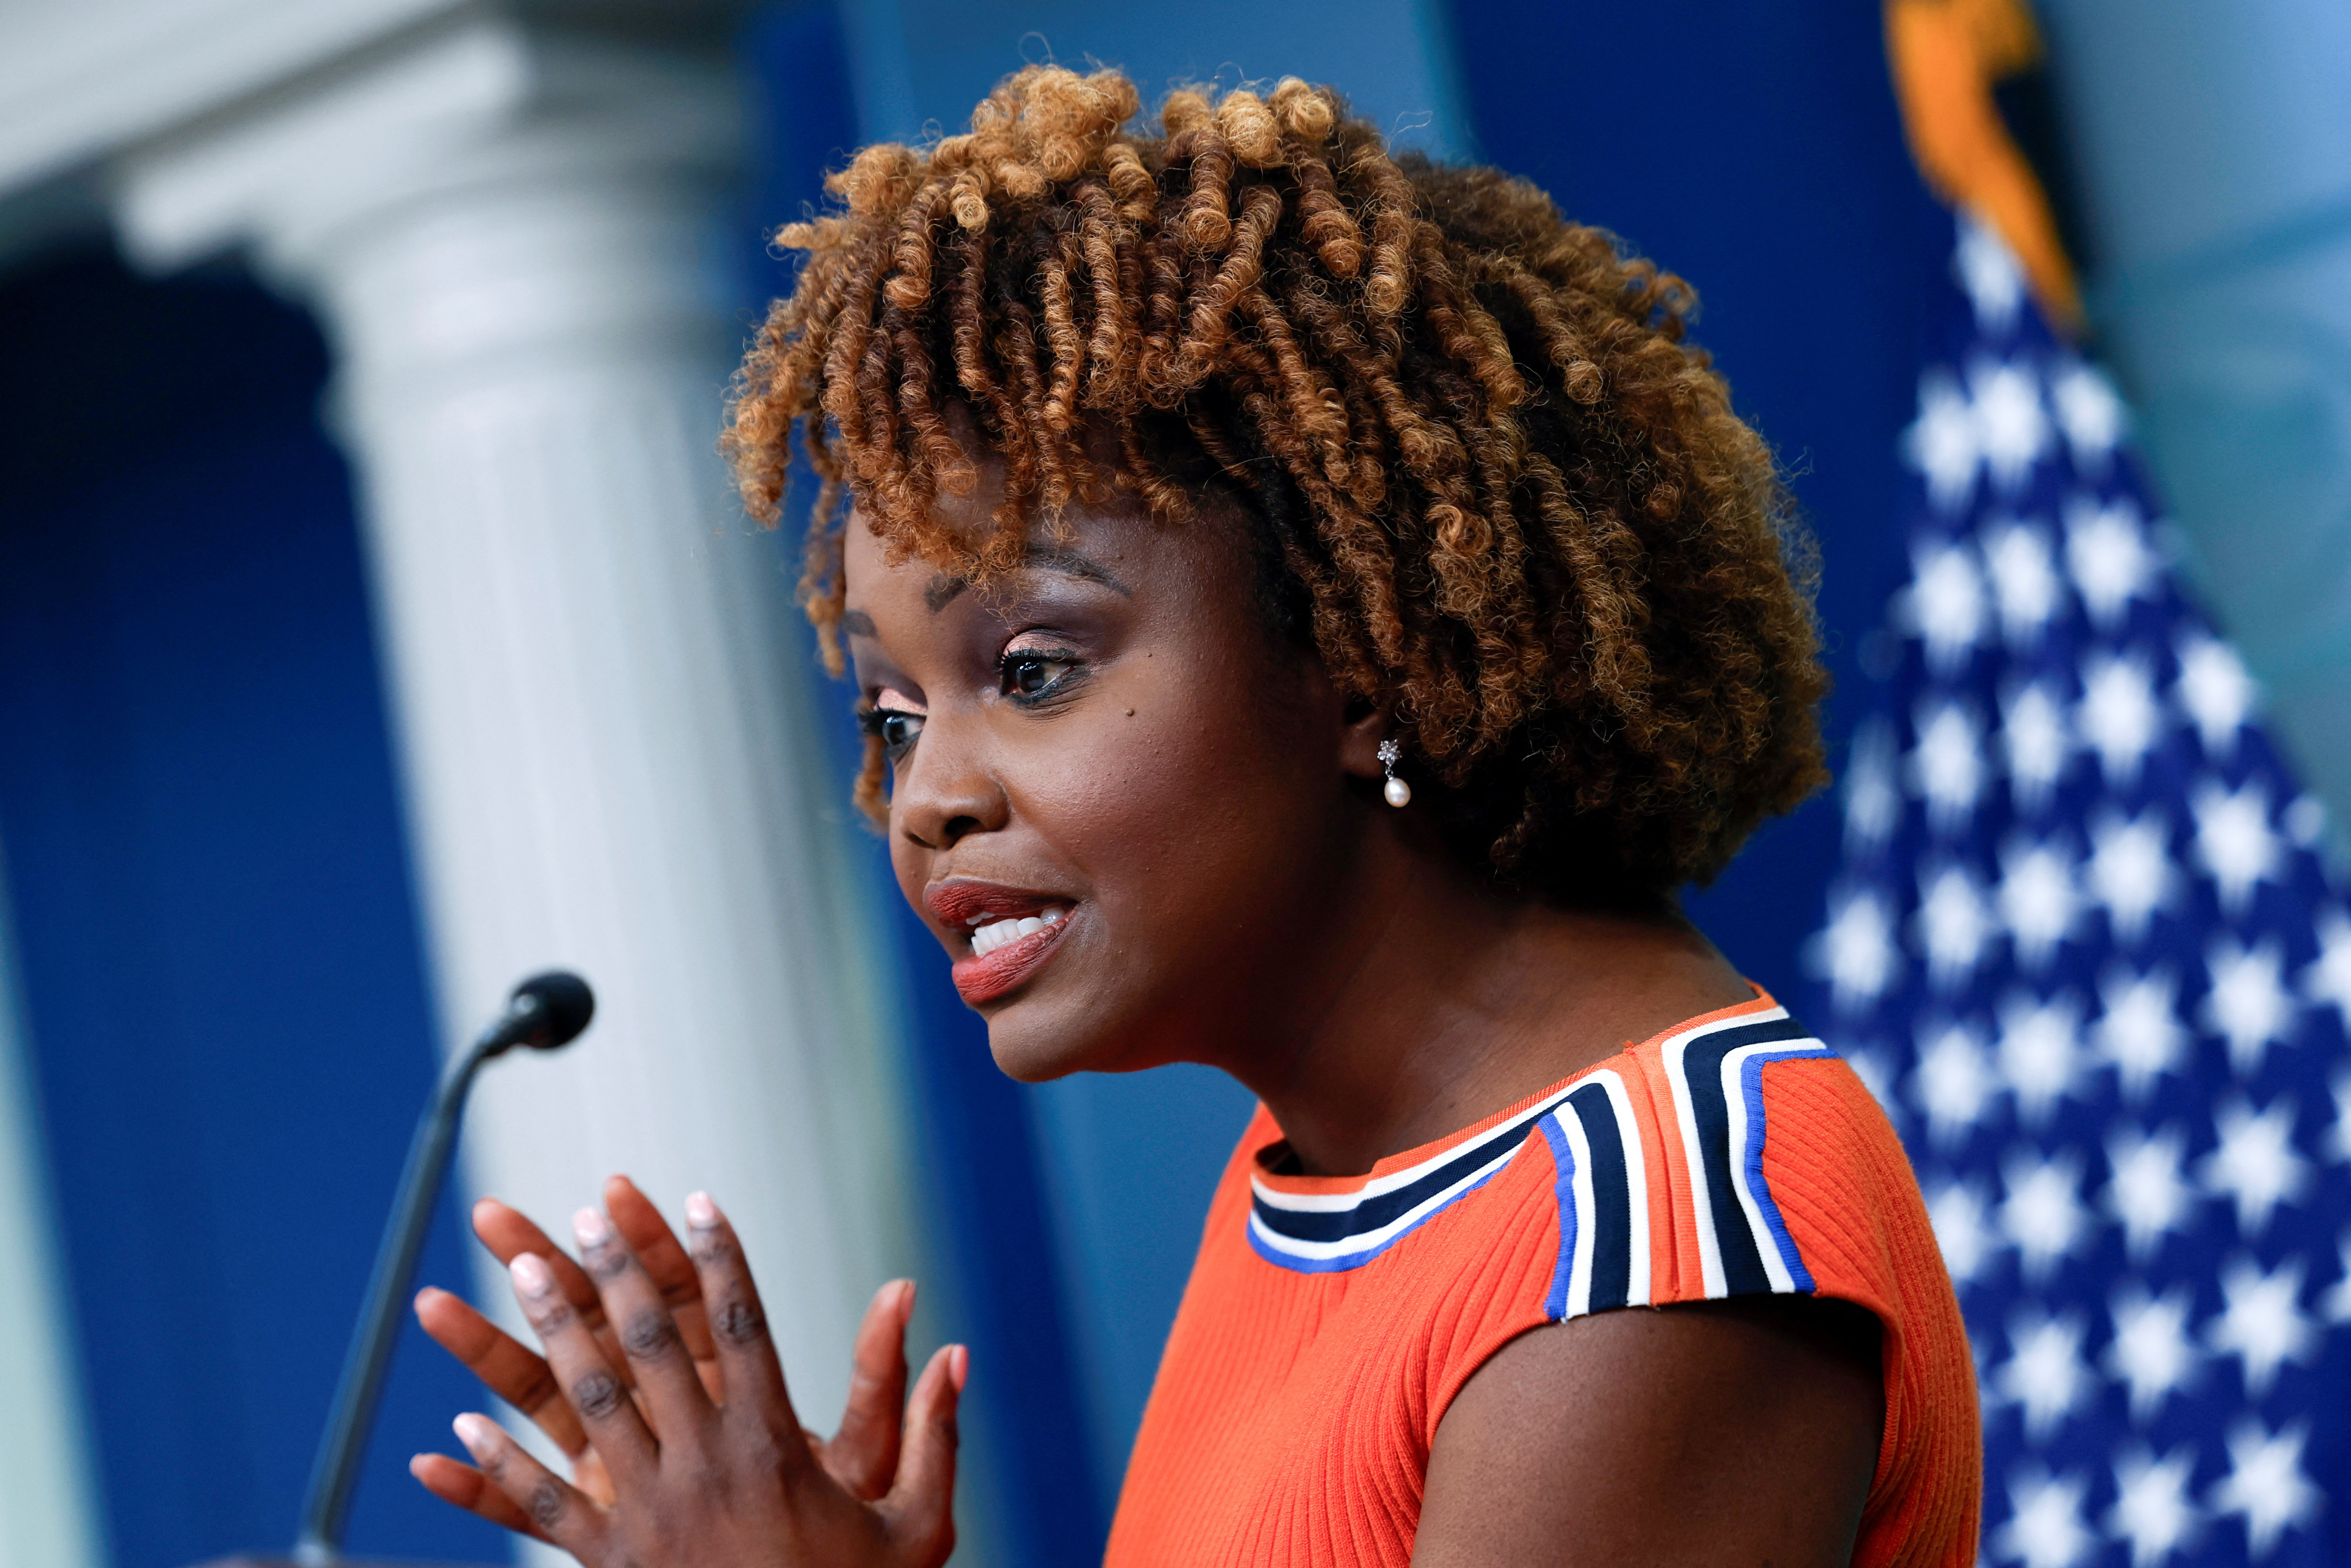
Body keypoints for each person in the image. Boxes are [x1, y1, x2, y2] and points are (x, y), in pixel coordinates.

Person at [405, 66, 1980, 1568]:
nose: (928, 798)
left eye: (1031, 670)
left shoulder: (1647, 1242)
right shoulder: (1323, 1167)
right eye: (894, 714)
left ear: (1360, 655)